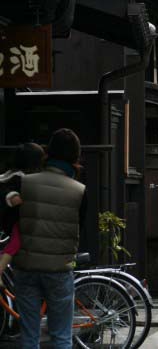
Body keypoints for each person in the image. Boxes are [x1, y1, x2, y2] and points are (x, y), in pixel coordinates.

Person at [10, 129, 87, 349]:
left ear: (48, 152)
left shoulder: (25, 183)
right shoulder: (79, 190)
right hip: (59, 269)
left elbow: (12, 220)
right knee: (61, 336)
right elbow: (78, 227)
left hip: (26, 266)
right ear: (75, 155)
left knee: (29, 334)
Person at [0, 143, 45, 285]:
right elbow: (13, 197)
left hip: (15, 219)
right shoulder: (21, 179)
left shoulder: (12, 175)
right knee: (15, 242)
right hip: (18, 221)